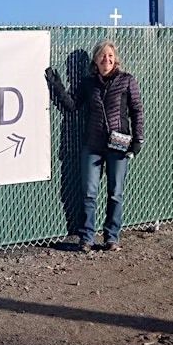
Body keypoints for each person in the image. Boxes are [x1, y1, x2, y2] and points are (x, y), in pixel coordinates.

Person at [45, 39, 144, 252]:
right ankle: (87, 238)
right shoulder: (89, 83)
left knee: (115, 192)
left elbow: (136, 110)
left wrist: (138, 141)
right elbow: (72, 105)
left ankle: (111, 238)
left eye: (110, 55)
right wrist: (57, 84)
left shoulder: (127, 81)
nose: (106, 59)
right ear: (95, 60)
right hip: (93, 144)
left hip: (118, 145)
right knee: (89, 192)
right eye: (102, 56)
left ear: (115, 59)